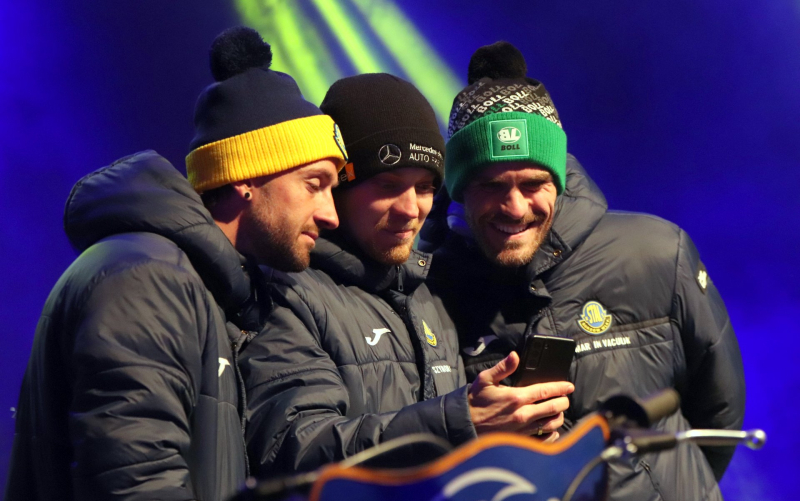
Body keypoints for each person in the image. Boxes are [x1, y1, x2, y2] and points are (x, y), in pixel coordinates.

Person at [5, 27, 346, 501]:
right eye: (315, 184)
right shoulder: (149, 277)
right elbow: (134, 485)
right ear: (245, 178)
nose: (331, 214)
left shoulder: (195, 283)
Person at [422, 41, 746, 501]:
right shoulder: (429, 286)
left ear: (559, 178)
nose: (514, 208)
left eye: (533, 184)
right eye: (490, 185)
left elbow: (719, 411)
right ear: (458, 189)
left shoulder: (656, 252)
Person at [241, 73, 575, 478]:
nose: (409, 209)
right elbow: (290, 448)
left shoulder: (427, 294)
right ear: (337, 187)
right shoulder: (283, 291)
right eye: (386, 184)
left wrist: (511, 435)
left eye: (424, 187)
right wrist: (460, 421)